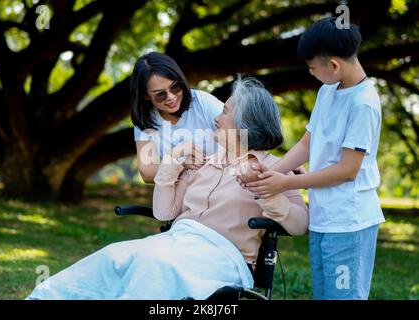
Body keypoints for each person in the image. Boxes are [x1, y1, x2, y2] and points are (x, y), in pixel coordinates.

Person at [26, 77, 308, 300]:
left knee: (153, 263)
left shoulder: (275, 169)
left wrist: (267, 189)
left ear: (245, 122)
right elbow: (164, 213)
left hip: (222, 256)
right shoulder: (204, 162)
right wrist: (173, 161)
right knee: (116, 255)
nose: (216, 117)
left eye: (225, 111)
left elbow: (299, 225)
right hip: (178, 242)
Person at [238, 17, 384, 300]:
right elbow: (307, 144)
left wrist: (286, 184)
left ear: (333, 65)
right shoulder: (327, 91)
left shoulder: (363, 103)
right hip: (324, 218)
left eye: (312, 68)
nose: (311, 73)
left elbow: (347, 170)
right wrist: (268, 174)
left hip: (349, 222)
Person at [131, 51, 223, 183]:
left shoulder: (203, 102)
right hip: (182, 191)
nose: (171, 97)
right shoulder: (145, 120)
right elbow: (147, 173)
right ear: (146, 95)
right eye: (160, 94)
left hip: (219, 182)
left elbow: (238, 138)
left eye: (175, 87)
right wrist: (179, 162)